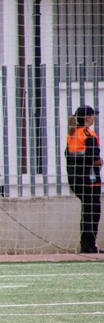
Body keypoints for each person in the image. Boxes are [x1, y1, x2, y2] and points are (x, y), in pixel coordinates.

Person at [65, 105, 102, 254]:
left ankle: (86, 244)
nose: (94, 118)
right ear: (88, 117)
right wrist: (100, 162)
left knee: (86, 210)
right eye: (93, 115)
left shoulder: (71, 134)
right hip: (89, 179)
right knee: (93, 211)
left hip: (75, 179)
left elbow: (68, 156)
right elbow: (93, 158)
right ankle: (89, 245)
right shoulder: (89, 134)